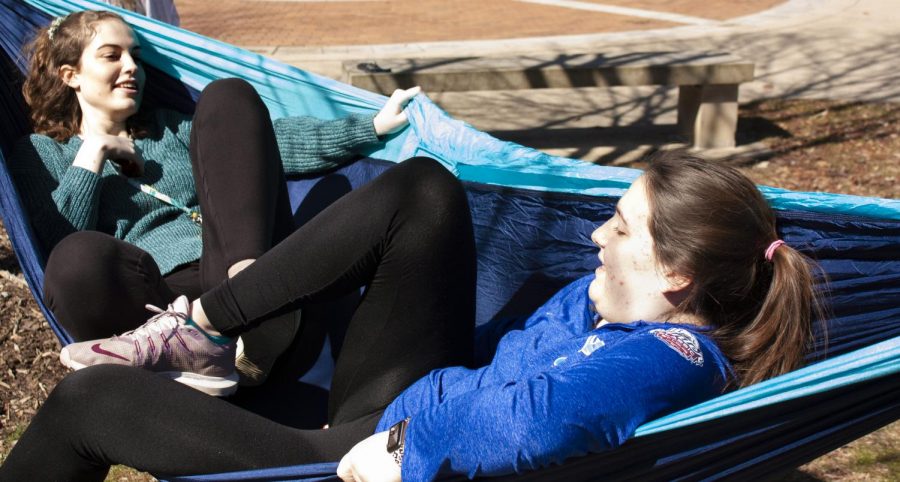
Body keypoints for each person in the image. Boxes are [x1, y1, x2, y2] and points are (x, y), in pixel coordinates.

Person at [0, 150, 826, 481]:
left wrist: (406, 447)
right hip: (402, 401)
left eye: (619, 225)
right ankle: (210, 325)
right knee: (423, 189)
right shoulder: (613, 302)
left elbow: (538, 419)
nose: (595, 234)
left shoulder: (672, 355)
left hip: (358, 467)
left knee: (90, 401)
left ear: (677, 275)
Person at [8, 10, 420, 387]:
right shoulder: (41, 154)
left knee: (228, 96)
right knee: (75, 257)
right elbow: (55, 238)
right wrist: (93, 152)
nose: (132, 67)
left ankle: (251, 301)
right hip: (154, 310)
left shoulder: (170, 130)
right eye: (111, 56)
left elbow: (269, 144)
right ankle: (194, 352)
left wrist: (372, 126)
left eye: (135, 56)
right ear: (70, 75)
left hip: (231, 267)